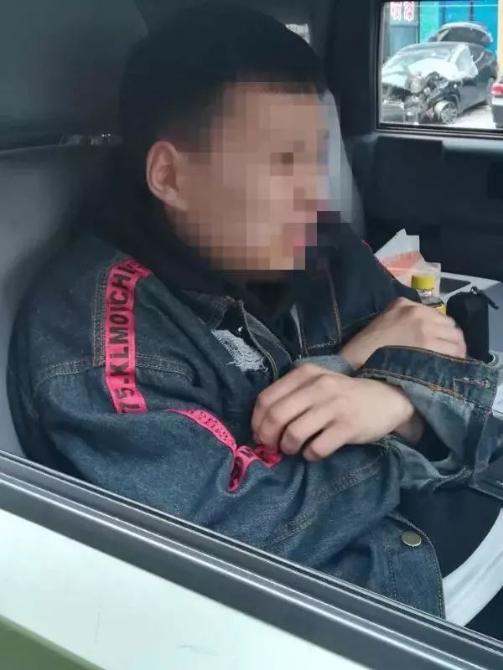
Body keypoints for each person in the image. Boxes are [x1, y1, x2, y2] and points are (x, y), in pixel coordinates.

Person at [8, 3, 503, 635]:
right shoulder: (99, 331)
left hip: (466, 513)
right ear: (171, 176)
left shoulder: (318, 251)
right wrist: (388, 397)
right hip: (406, 603)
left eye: (316, 158)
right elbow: (233, 530)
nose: (317, 193)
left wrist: (393, 400)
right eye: (282, 161)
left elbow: (443, 352)